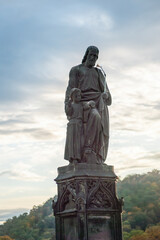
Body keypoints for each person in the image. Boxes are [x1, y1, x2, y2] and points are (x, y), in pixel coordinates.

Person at [65, 46, 112, 163]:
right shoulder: (76, 70)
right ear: (86, 55)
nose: (93, 58)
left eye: (96, 56)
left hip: (98, 101)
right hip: (82, 103)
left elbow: (109, 98)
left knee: (99, 119)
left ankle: (96, 153)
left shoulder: (98, 73)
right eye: (91, 55)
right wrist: (68, 106)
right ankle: (88, 148)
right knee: (95, 116)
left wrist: (106, 95)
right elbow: (70, 90)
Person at [64, 88, 83, 163]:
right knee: (72, 141)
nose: (79, 97)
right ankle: (71, 157)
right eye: (77, 96)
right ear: (73, 97)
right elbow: (68, 112)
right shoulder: (71, 105)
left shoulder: (81, 105)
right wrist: (68, 105)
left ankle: (77, 157)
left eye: (80, 96)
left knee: (78, 142)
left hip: (78, 125)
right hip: (72, 125)